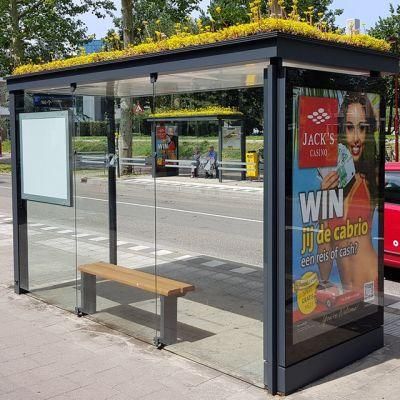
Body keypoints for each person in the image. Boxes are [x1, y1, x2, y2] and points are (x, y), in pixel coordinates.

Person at [318, 92, 378, 292]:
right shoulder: (333, 182)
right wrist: (323, 205)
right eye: (350, 127)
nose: (355, 138)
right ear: (342, 131)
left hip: (370, 281)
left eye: (362, 128)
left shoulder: (371, 178)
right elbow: (324, 264)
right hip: (348, 293)